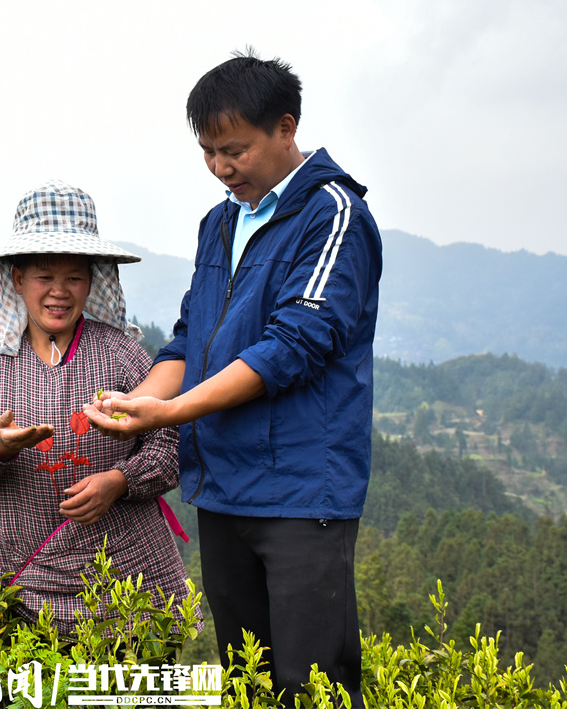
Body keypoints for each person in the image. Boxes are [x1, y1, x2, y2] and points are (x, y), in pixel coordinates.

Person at [84, 51, 381, 705]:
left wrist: (173, 413)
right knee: (248, 678)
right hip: (223, 486)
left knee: (313, 683)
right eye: (209, 152)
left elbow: (292, 347)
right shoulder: (220, 223)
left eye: (236, 150)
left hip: (302, 492)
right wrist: (139, 403)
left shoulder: (330, 214)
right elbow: (193, 336)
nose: (222, 168)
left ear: (286, 127)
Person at [0, 181, 192, 636]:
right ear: (16, 279)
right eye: (43, 277)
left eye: (73, 277)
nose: (59, 292)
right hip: (20, 584)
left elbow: (172, 450)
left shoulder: (122, 355)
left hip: (123, 583)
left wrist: (120, 480)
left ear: (92, 281)